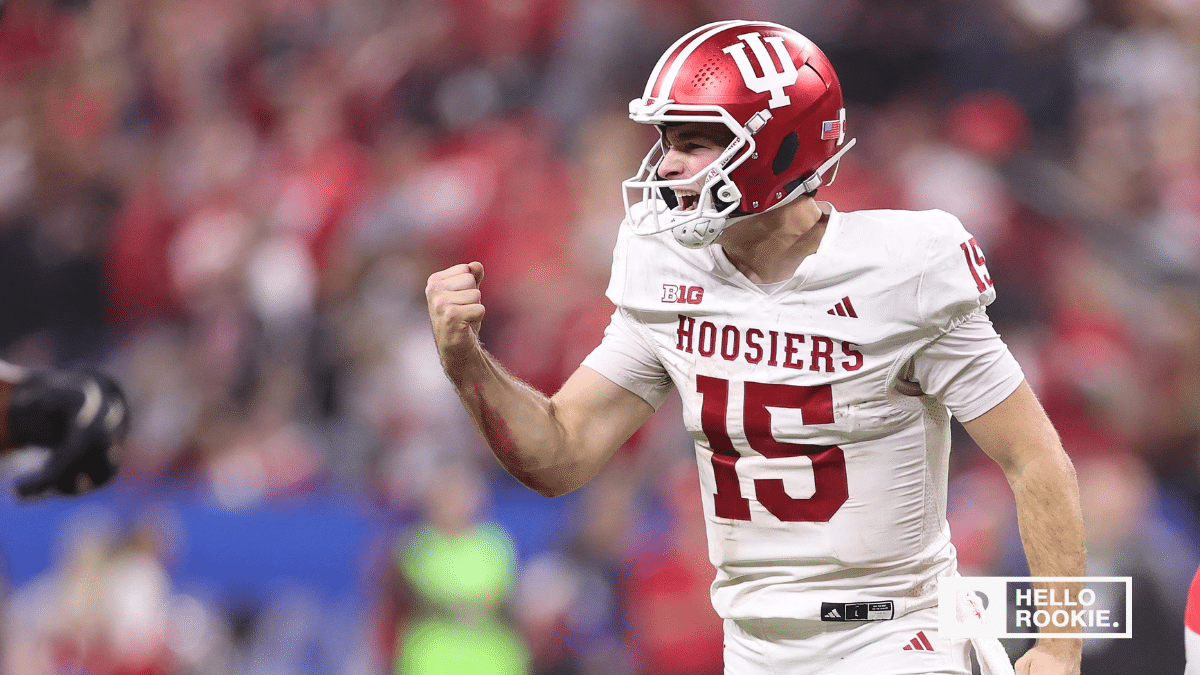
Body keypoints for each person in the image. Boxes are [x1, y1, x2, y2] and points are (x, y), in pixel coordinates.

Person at [426, 19, 1085, 675]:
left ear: (777, 143)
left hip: (896, 638)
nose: (667, 165)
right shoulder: (667, 269)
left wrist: (1058, 644)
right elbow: (561, 453)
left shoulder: (903, 267)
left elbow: (1034, 457)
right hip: (756, 647)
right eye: (666, 141)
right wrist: (467, 364)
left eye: (694, 141)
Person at [0, 360, 127, 498]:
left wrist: (44, 483)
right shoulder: (99, 413)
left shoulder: (100, 454)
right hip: (20, 394)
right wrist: (42, 482)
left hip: (22, 430)